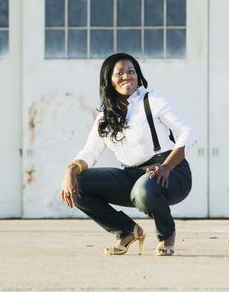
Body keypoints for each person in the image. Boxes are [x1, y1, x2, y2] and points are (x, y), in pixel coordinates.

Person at [61, 52, 197, 256]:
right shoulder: (105, 118)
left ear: (138, 75)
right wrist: (70, 171)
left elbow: (188, 131)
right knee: (79, 185)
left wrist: (167, 166)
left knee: (144, 188)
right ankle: (126, 231)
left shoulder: (153, 100)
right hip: (131, 175)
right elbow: (89, 152)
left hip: (171, 171)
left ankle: (166, 234)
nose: (127, 76)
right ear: (109, 80)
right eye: (120, 73)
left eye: (131, 71)